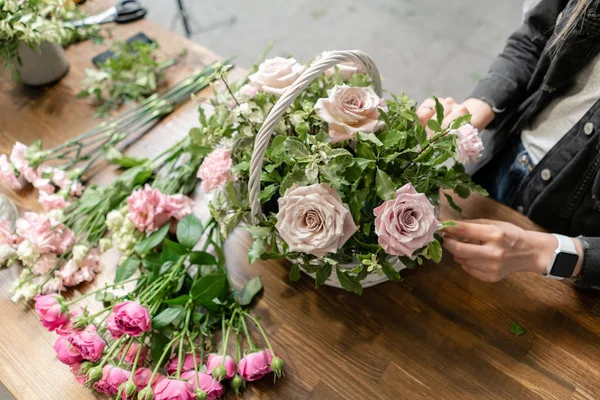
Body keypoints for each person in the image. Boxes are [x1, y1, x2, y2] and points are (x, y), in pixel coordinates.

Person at [415, 0, 600, 285]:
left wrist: (548, 254)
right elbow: (534, 40)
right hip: (502, 157)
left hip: (569, 247)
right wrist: (473, 112)